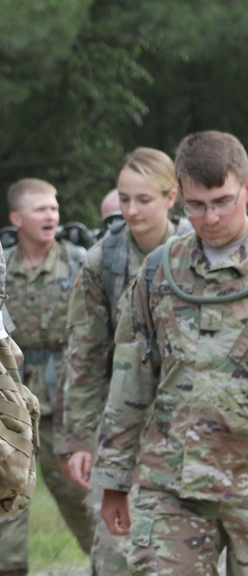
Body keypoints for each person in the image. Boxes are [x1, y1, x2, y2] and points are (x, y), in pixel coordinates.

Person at [91, 130, 248, 575]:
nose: (211, 216)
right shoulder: (160, 269)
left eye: (223, 201)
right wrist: (114, 480)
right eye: (196, 205)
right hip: (172, 481)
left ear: (246, 190)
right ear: (180, 197)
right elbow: (131, 380)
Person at [58, 148, 181, 575]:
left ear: (172, 197)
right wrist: (78, 439)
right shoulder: (102, 263)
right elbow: (85, 357)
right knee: (115, 551)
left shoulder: (193, 255)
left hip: (187, 425)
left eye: (143, 200)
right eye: (124, 199)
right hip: (120, 424)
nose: (131, 210)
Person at [0, 178, 93, 576]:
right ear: (17, 217)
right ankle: (5, 569)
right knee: (4, 494)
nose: (52, 216)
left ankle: (114, 563)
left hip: (66, 394)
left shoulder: (81, 261)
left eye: (54, 208)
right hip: (11, 397)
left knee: (81, 495)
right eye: (41, 209)